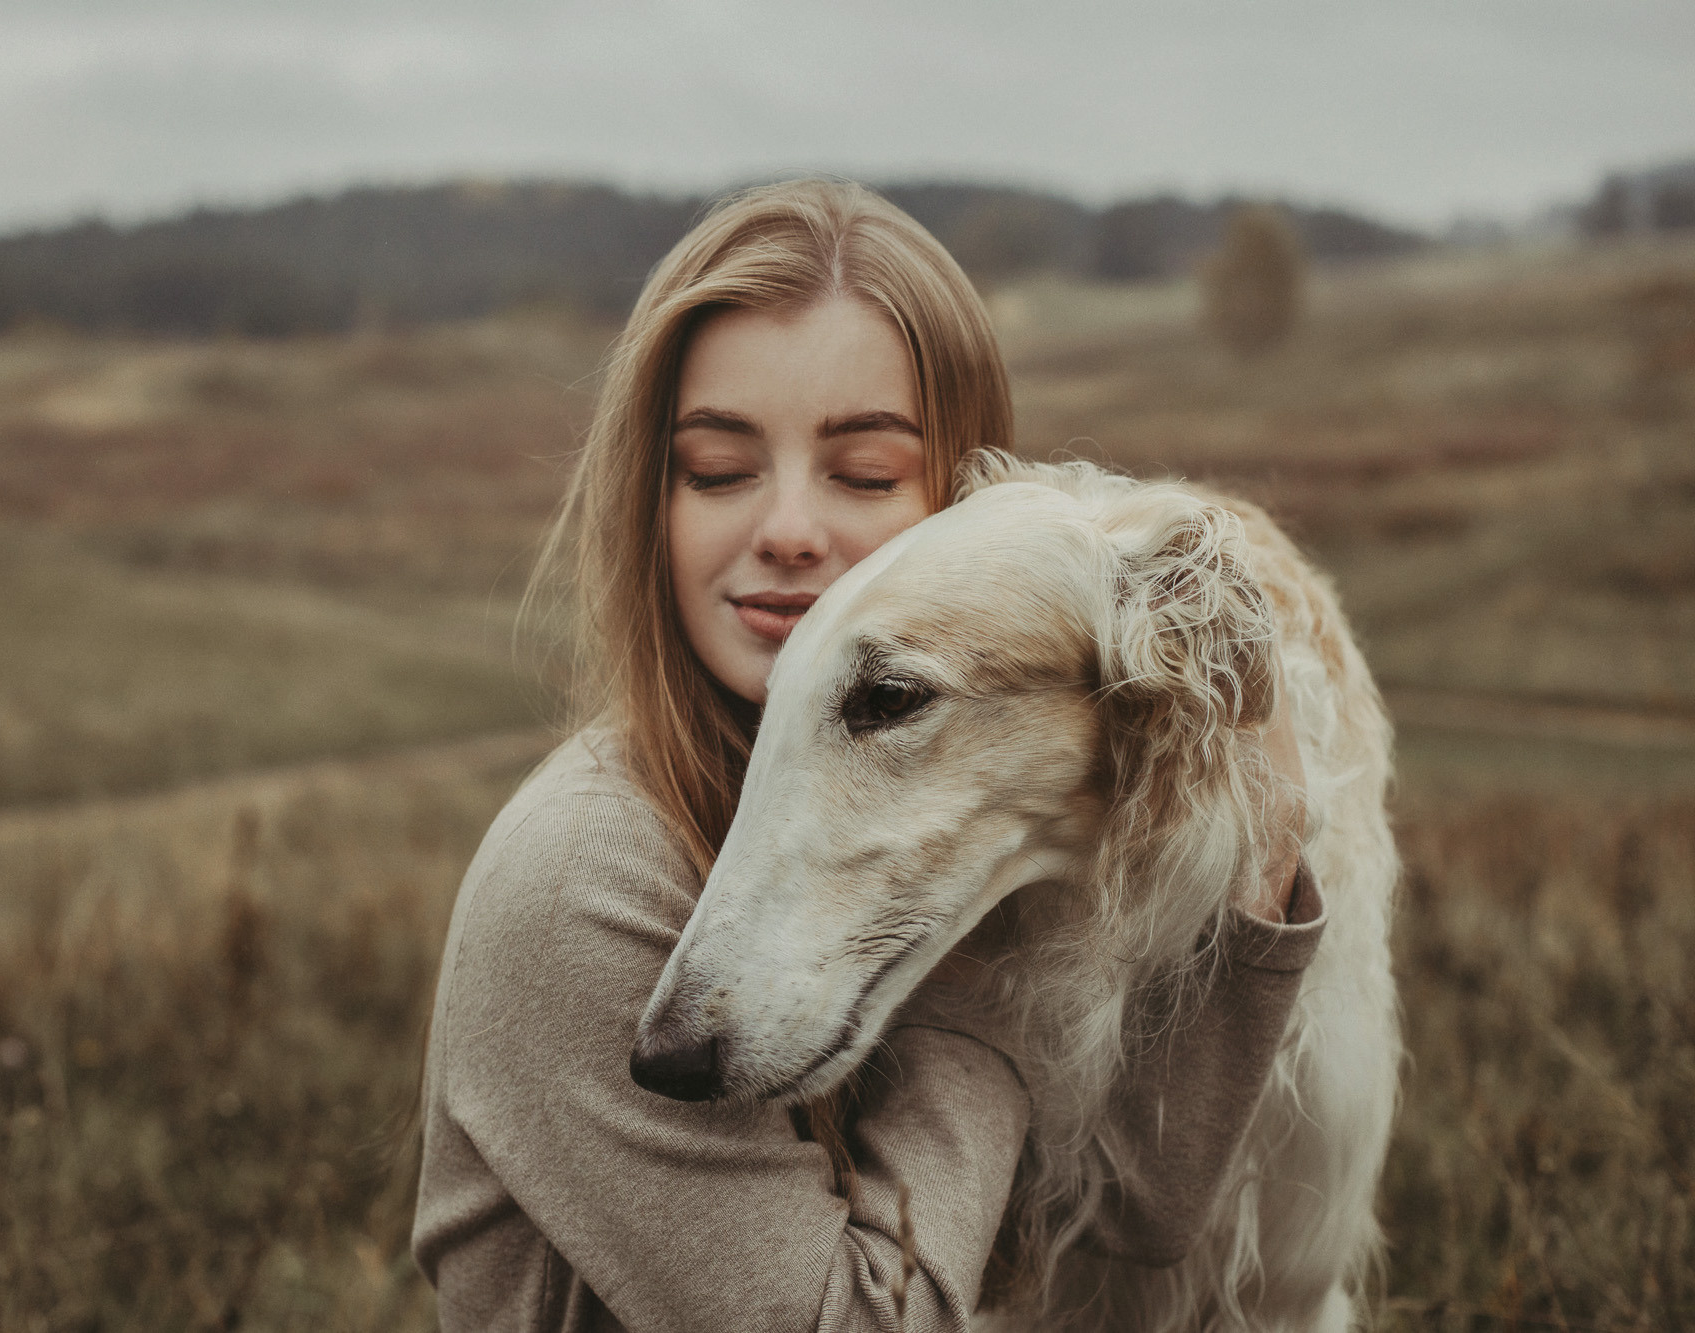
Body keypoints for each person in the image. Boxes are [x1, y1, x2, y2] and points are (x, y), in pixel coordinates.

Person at [411, 179, 1322, 1332]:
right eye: (716, 468)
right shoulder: (580, 876)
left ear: (965, 502)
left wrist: (1265, 842)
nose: (787, 527)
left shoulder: (976, 783)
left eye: (862, 472)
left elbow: (1129, 1205)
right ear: (652, 501)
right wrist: (983, 998)